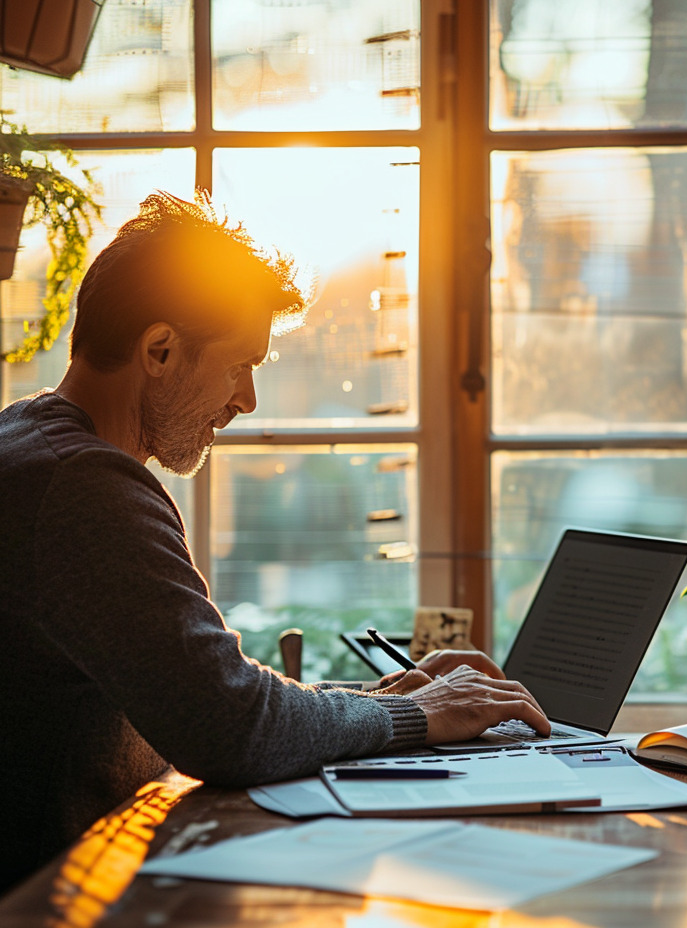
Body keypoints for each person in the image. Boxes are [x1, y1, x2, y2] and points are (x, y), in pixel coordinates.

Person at [0, 191, 550, 892]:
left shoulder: (33, 439)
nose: (247, 400)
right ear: (160, 350)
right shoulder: (81, 486)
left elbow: (205, 691)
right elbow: (228, 725)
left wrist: (376, 703)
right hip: (54, 897)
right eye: (239, 365)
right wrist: (415, 714)